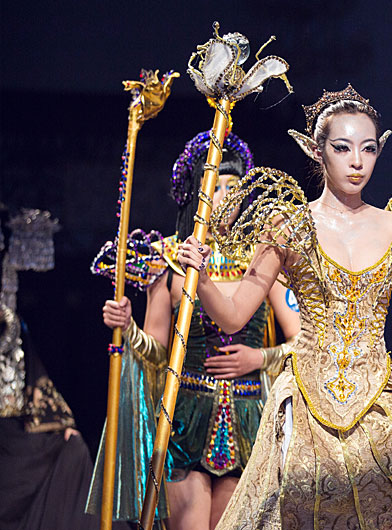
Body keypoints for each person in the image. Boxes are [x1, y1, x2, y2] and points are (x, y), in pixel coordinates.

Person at [175, 84, 392, 529]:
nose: (357, 162)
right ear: (316, 151)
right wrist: (200, 281)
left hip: (378, 398)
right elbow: (235, 315)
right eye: (342, 148)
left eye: (368, 149)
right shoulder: (288, 225)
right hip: (306, 401)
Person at [88, 132, 301, 530]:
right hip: (185, 422)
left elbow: (303, 341)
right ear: (195, 194)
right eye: (214, 187)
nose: (224, 197)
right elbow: (157, 351)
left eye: (232, 188)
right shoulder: (169, 259)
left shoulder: (262, 259)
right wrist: (128, 326)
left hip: (250, 420)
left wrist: (259, 358)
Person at [0, 206, 98, 530]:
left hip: (12, 435)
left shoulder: (10, 325)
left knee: (73, 451)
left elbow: (30, 376)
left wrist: (61, 424)